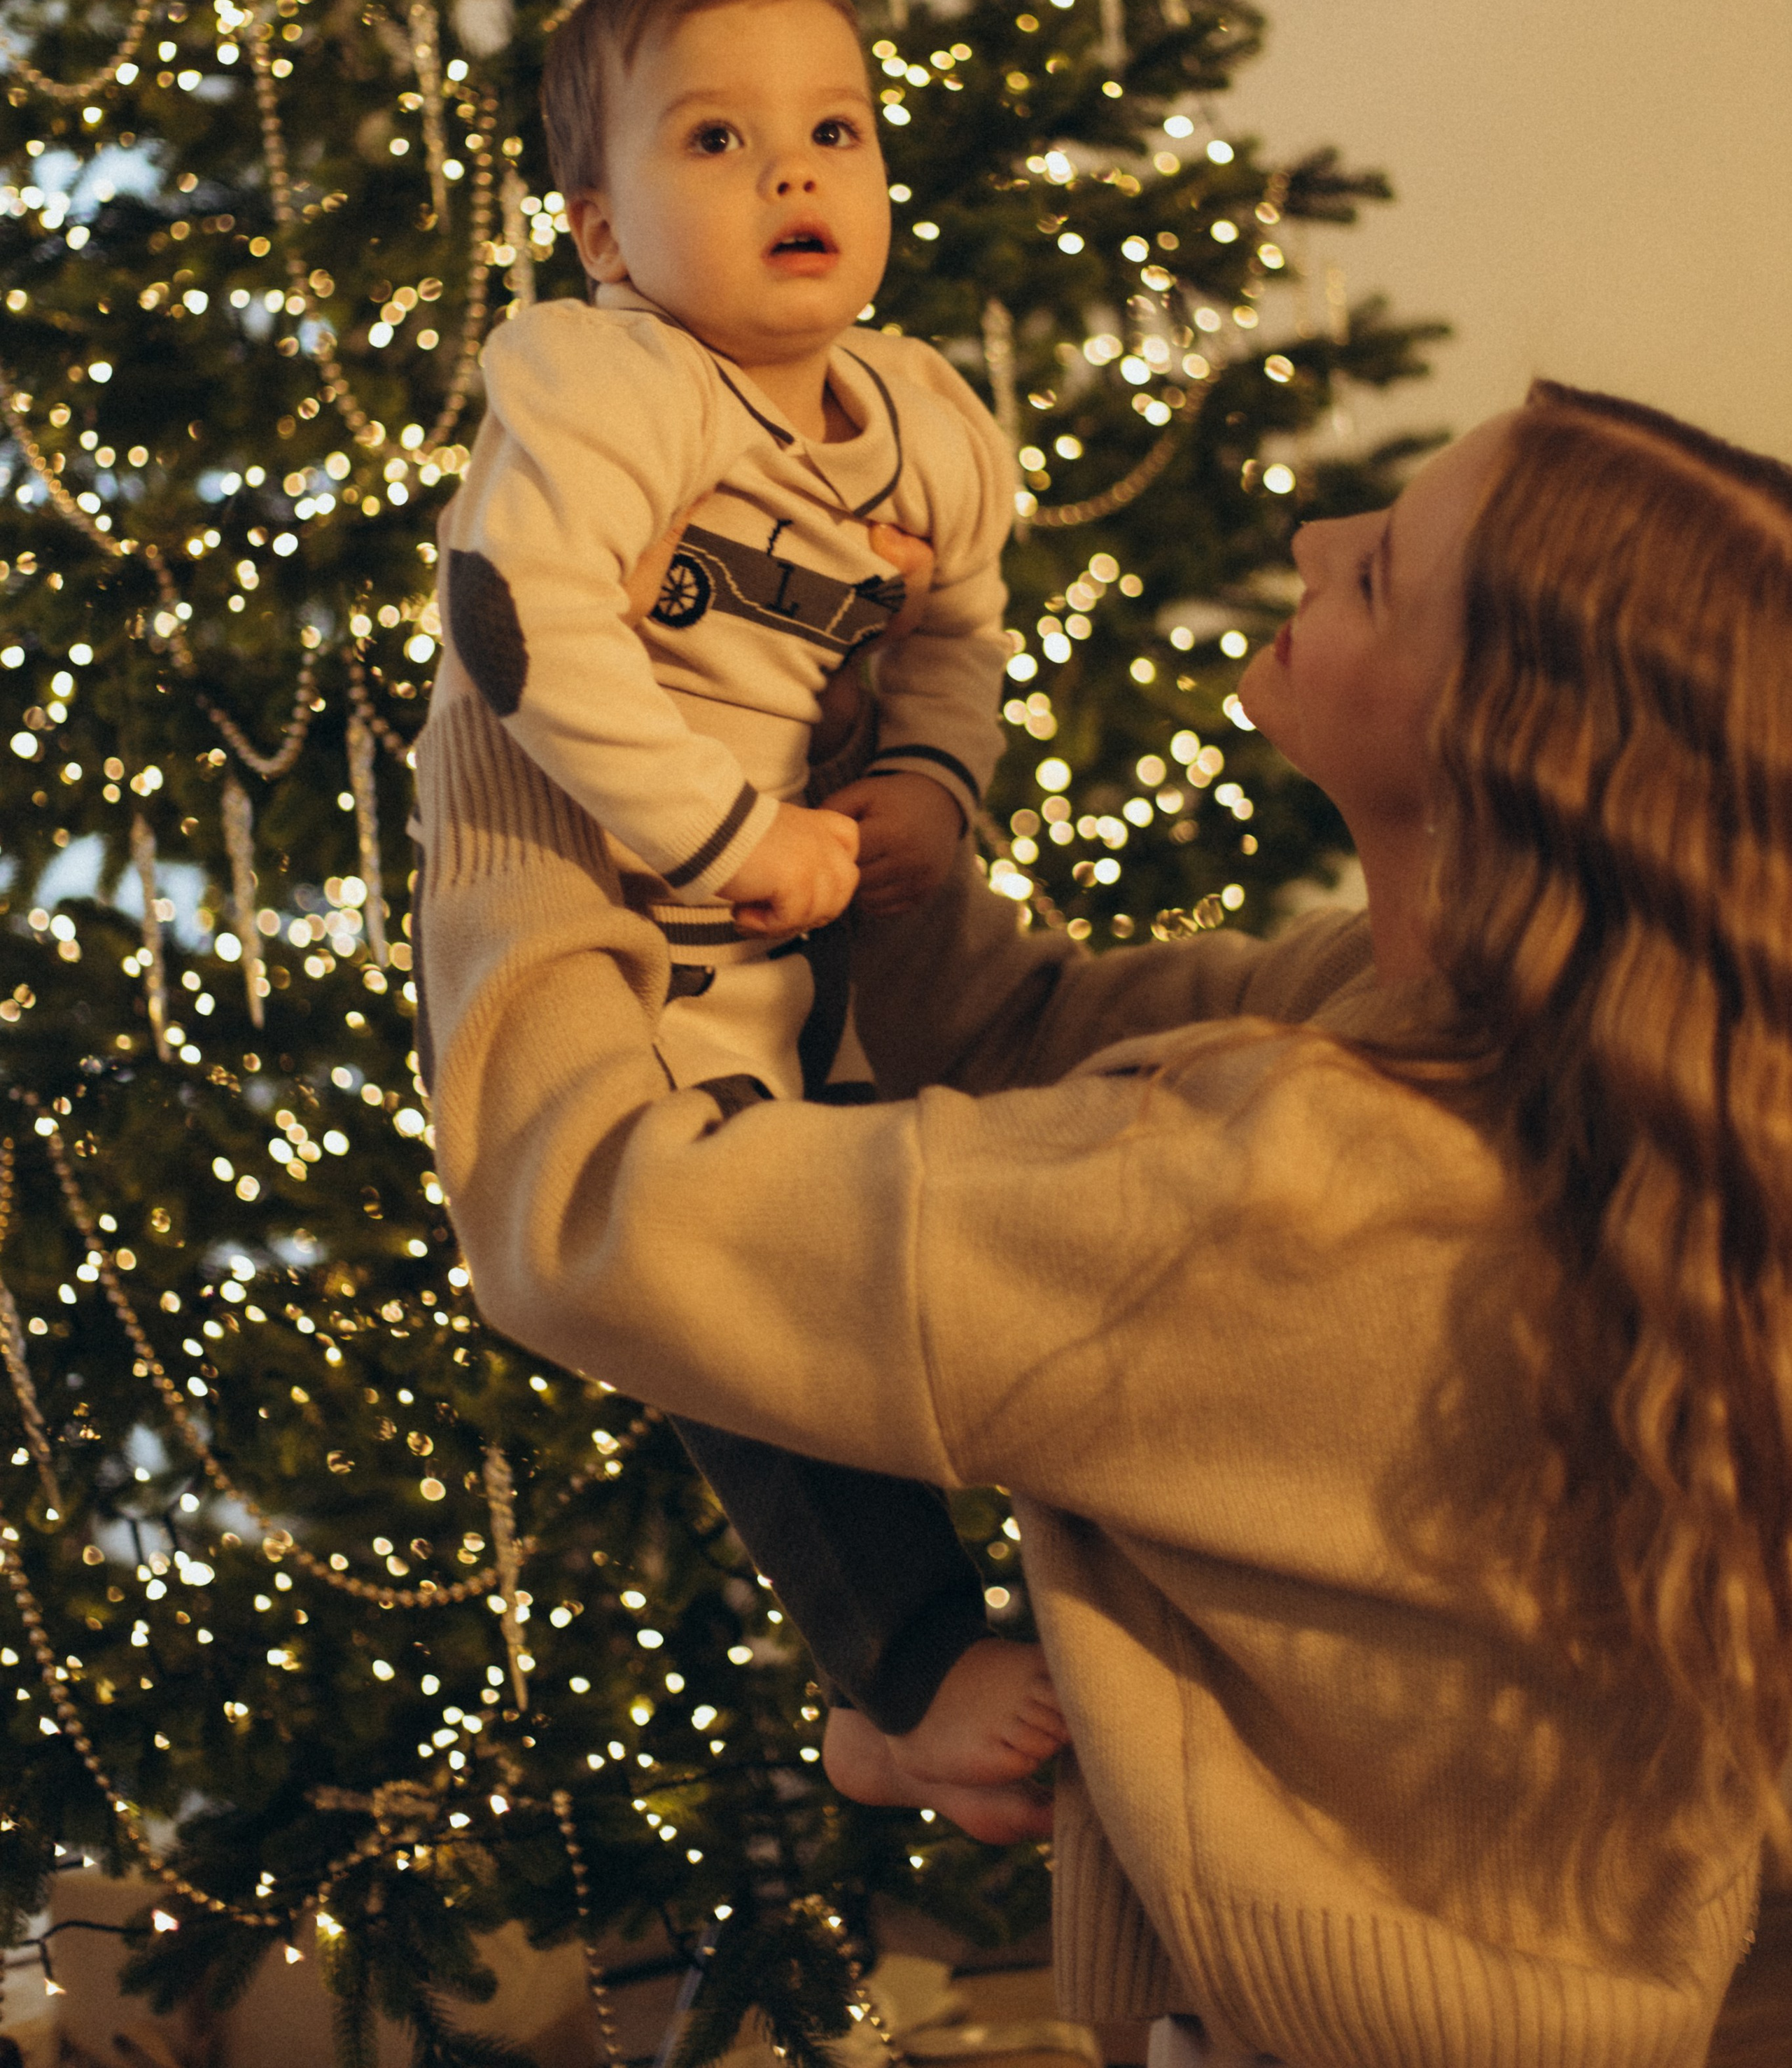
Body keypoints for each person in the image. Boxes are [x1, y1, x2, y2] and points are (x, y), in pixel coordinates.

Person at [416, 379, 1791, 2066]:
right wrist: (822, 744)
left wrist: (517, 728)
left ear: (1497, 747)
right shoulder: (1549, 1061)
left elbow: (584, 1217)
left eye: (1374, 579)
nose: (1309, 537)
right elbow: (1017, 1040)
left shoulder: (1280, 1185)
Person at [429, 0, 1064, 1837]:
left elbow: (959, 631)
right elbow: (521, 621)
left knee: (905, 1252)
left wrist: (932, 789)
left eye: (835, 131)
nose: (795, 173)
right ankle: (904, 1670)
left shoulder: (928, 420)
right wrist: (725, 835)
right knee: (728, 1283)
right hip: (627, 927)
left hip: (822, 946)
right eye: (715, 140)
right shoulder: (608, 381)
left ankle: (917, 1670)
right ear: (602, 229)